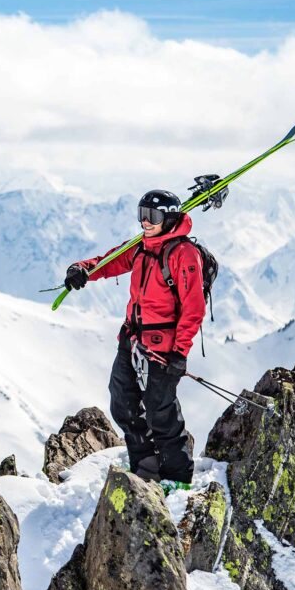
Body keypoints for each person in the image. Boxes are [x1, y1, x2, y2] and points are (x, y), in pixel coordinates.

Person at [65, 190, 205, 487]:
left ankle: (177, 477)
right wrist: (83, 270)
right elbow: (110, 261)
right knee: (122, 401)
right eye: (141, 213)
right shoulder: (141, 247)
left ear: (168, 218)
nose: (144, 221)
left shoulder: (183, 254)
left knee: (160, 408)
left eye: (152, 216)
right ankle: (145, 463)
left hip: (164, 347)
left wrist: (179, 353)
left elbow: (193, 308)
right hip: (132, 337)